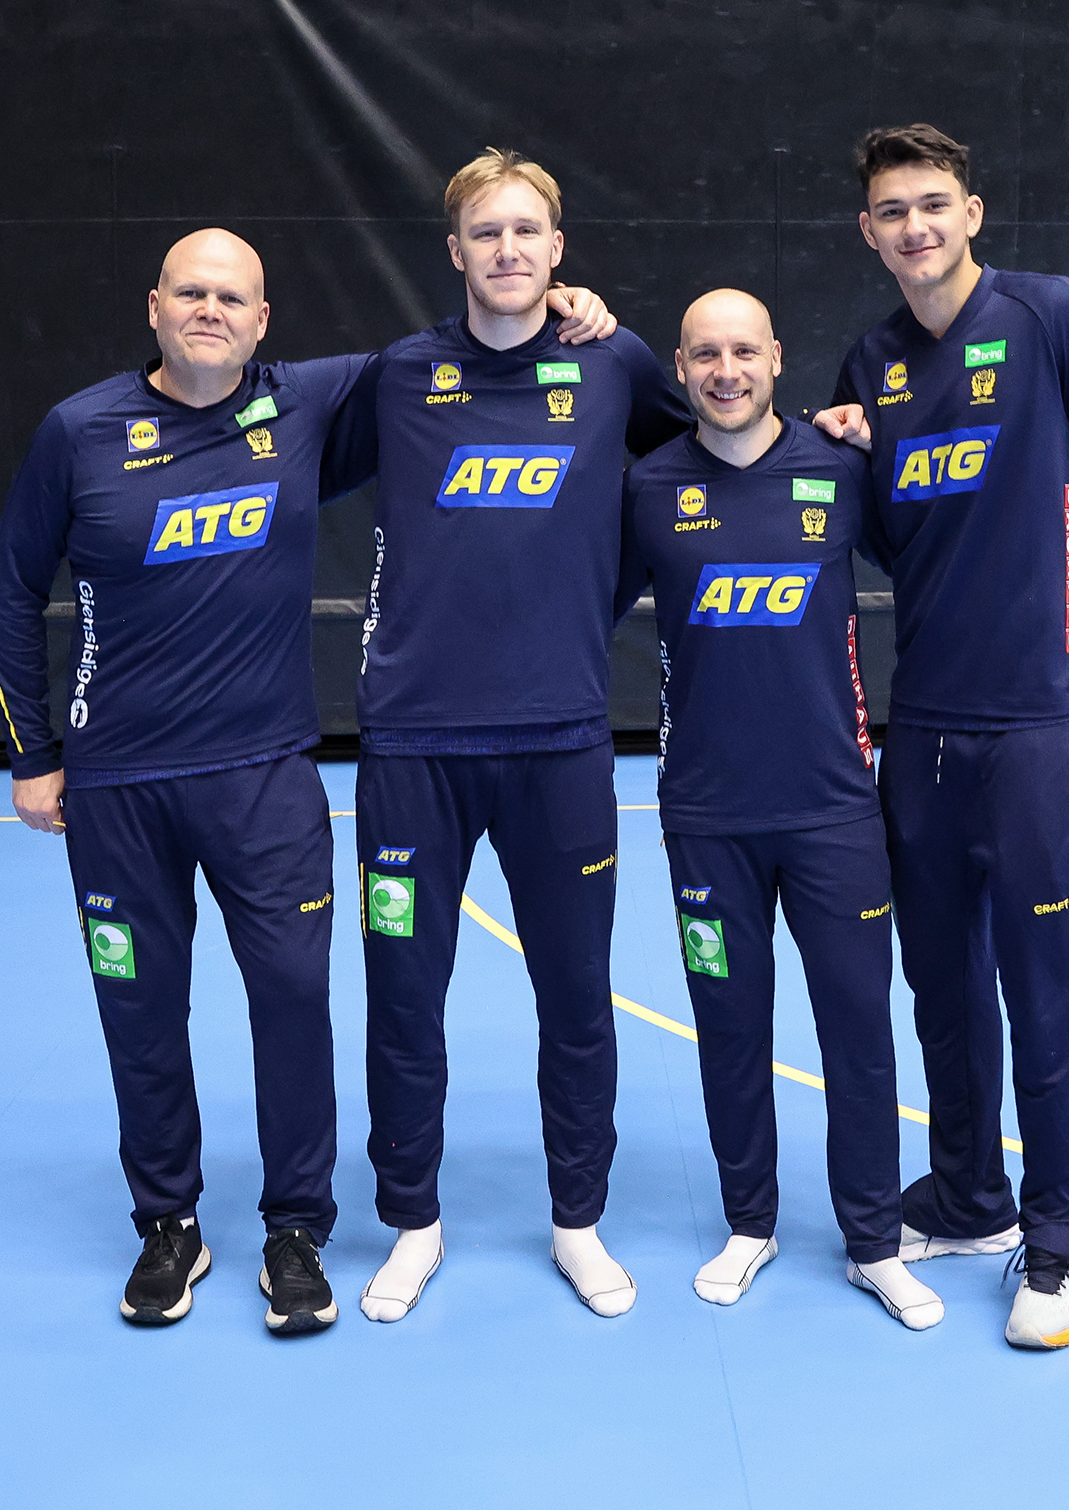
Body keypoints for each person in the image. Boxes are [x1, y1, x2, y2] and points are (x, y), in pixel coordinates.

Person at [0, 227, 614, 1334]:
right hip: (118, 786)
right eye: (190, 292)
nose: (210, 310)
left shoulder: (311, 401)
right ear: (154, 307)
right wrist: (33, 752)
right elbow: (9, 586)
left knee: (290, 1000)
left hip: (266, 776)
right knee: (140, 1009)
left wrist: (562, 306)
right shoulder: (79, 432)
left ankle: (295, 1228)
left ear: (264, 321)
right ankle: (167, 1224)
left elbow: (470, 351)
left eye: (233, 297)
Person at [813, 124, 1069, 1348]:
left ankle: (1056, 1235)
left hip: (1045, 721)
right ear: (867, 233)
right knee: (941, 985)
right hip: (924, 728)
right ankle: (967, 1195)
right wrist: (851, 463)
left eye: (933, 204)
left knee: (1043, 989)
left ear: (970, 213)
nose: (913, 227)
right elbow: (896, 539)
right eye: (891, 211)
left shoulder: (1050, 317)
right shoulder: (873, 362)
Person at [327, 149, 690, 1322]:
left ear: (558, 247)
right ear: (454, 251)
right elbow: (270, 453)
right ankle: (411, 1223)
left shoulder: (613, 363)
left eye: (528, 230)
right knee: (401, 998)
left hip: (560, 745)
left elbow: (711, 458)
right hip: (412, 751)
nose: (508, 250)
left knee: (576, 1000)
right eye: (486, 232)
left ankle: (577, 1221)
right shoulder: (398, 376)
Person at [615, 289, 943, 1330]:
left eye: (744, 352)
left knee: (858, 1033)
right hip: (706, 817)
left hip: (834, 812)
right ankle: (748, 1223)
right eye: (705, 354)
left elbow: (941, 555)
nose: (726, 371)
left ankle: (873, 1241)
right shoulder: (649, 487)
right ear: (680, 366)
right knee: (729, 1026)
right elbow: (570, 609)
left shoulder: (838, 469)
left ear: (775, 359)